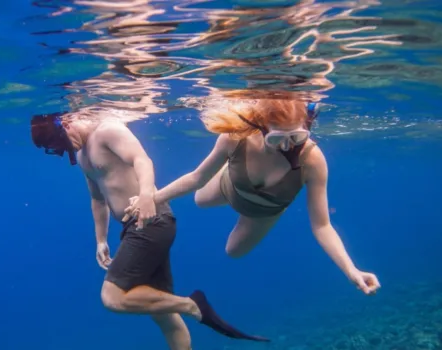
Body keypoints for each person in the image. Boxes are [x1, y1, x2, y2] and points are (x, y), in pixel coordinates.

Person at [29, 111, 269, 349]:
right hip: (136, 226)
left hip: (151, 220)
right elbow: (97, 199)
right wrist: (100, 239)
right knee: (162, 312)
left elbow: (141, 159)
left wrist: (146, 195)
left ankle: (192, 305)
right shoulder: (82, 155)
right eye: (58, 148)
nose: (66, 149)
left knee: (112, 297)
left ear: (67, 123)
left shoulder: (107, 129)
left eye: (61, 142)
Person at [127, 99, 381, 295]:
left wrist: (351, 270)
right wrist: (152, 198)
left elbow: (322, 225)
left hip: (265, 210)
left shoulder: (313, 161)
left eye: (296, 137)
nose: (287, 146)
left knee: (233, 251)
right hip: (232, 186)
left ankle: (241, 179)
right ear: (260, 127)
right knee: (200, 200)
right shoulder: (236, 138)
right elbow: (197, 178)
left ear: (307, 127)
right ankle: (229, 169)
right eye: (277, 139)